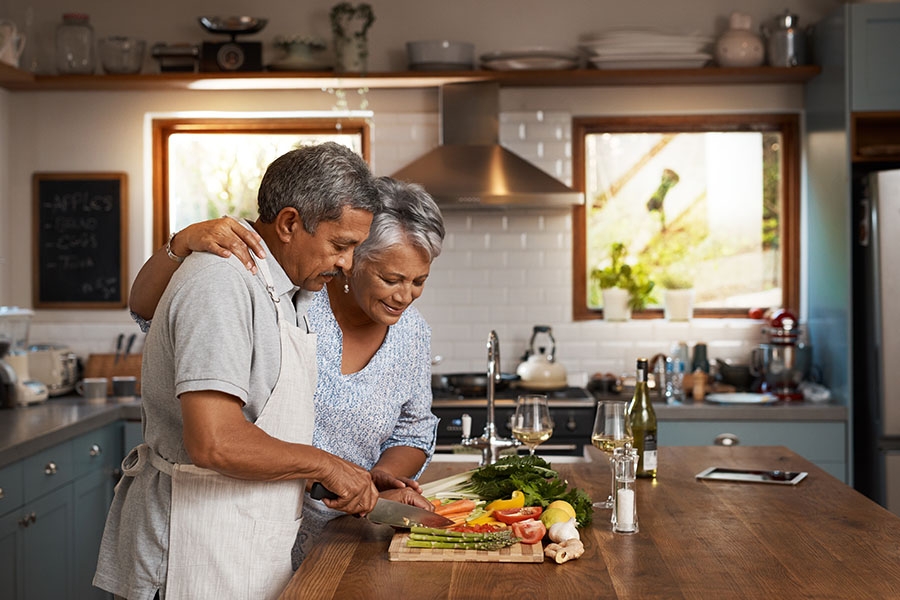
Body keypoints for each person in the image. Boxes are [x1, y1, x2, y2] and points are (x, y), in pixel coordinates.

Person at [93, 142, 386, 600]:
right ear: (289, 223)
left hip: (239, 545)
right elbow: (215, 441)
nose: (347, 263)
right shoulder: (222, 282)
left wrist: (343, 475)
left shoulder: (289, 291)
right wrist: (324, 464)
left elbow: (259, 423)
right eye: (340, 245)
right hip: (188, 554)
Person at [127, 176, 446, 569]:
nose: (405, 295)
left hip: (344, 534)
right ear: (353, 258)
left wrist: (371, 484)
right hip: (234, 524)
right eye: (391, 279)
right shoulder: (296, 297)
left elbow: (413, 430)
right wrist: (179, 243)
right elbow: (147, 310)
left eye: (419, 281)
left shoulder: (412, 333)